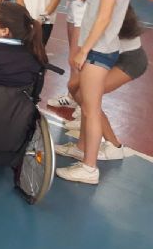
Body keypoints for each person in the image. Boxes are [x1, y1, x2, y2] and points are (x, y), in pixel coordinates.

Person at [56, 0, 135, 185]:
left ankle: (89, 167)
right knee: (89, 107)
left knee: (90, 109)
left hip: (99, 51)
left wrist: (83, 50)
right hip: (101, 49)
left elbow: (103, 18)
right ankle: (85, 156)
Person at [56, 14, 147, 160]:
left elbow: (98, 45)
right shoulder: (98, 3)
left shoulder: (107, 9)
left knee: (86, 97)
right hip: (116, 57)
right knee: (80, 92)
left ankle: (114, 146)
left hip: (129, 61)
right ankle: (81, 147)